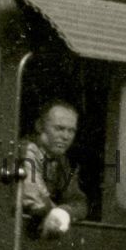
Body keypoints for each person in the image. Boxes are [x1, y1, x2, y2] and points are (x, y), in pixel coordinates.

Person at [19, 101, 84, 237]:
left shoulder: (61, 161)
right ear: (40, 126)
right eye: (59, 129)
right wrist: (60, 212)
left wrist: (64, 212)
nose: (66, 136)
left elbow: (79, 202)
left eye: (71, 131)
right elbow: (37, 204)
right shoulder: (27, 152)